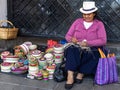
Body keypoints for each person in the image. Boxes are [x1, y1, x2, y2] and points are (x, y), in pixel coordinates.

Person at [64, 1, 107, 90]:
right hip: (77, 46)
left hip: (91, 47)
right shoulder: (77, 22)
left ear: (94, 14)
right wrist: (72, 39)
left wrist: (88, 43)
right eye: (84, 14)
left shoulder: (99, 24)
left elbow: (103, 40)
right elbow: (67, 36)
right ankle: (70, 75)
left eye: (89, 14)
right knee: (72, 49)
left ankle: (81, 72)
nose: (86, 16)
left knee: (95, 53)